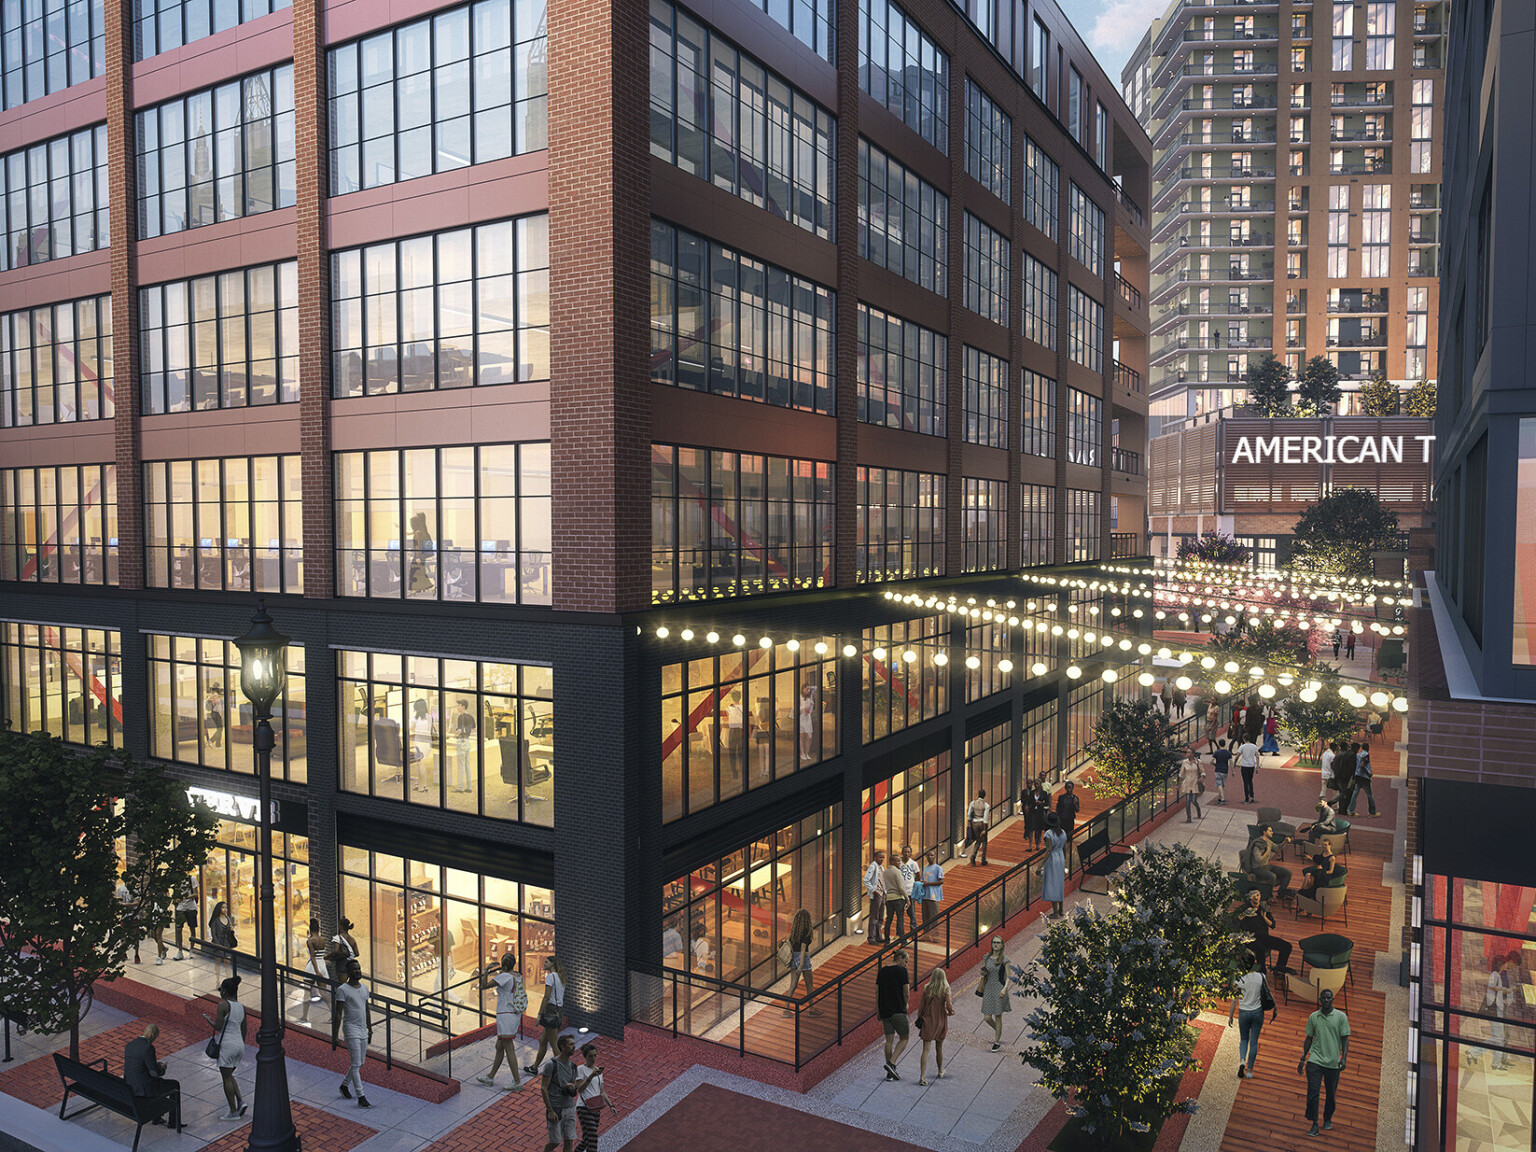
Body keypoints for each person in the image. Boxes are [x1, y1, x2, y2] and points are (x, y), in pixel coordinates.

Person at [1297, 987, 1350, 1137]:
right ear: (1320, 1000)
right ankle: (1314, 1123)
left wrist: (1344, 1057)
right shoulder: (1314, 1017)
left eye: (1329, 998)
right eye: (1324, 998)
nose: (1326, 1000)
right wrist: (1303, 1058)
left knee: (1331, 1094)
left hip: (1333, 1062)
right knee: (1313, 1092)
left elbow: (1345, 1039)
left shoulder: (1341, 1017)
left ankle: (1327, 1118)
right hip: (1315, 1060)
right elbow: (1309, 1038)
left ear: (1333, 999)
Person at [477, 953, 527, 1089]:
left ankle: (517, 1082)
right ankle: (490, 1077)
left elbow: (483, 986)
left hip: (505, 1014)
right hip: (513, 1014)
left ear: (503, 965)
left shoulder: (504, 977)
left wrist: (486, 971)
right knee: (499, 1047)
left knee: (509, 1048)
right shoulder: (518, 975)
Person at [202, 976, 247, 1120]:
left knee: (226, 1077)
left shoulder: (223, 1005)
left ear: (226, 991)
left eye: (221, 989)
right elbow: (244, 1029)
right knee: (229, 1074)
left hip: (227, 1045)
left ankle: (233, 1111)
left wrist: (209, 1020)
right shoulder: (241, 1007)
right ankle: (240, 1101)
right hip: (239, 1045)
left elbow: (219, 1026)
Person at [1227, 952, 1277, 1080]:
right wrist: (1275, 1007)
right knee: (1254, 1042)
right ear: (1254, 963)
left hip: (1244, 1012)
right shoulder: (1261, 976)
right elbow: (1268, 993)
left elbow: (1234, 1000)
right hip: (1257, 1012)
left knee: (1244, 1039)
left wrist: (1231, 1016)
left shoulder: (1238, 980)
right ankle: (1249, 1071)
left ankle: (1242, 1061)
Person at [331, 958, 373, 1107]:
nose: (358, 971)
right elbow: (338, 1014)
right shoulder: (343, 990)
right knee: (356, 1064)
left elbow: (366, 1009)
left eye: (359, 968)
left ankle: (344, 1085)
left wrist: (370, 1029)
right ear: (348, 972)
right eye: (354, 969)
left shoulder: (364, 988)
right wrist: (335, 1036)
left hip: (363, 1029)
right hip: (351, 1029)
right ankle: (361, 1096)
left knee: (360, 1063)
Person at [123, 1023, 181, 1130]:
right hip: (144, 1089)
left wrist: (154, 1066)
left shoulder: (129, 1045)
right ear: (153, 1034)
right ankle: (173, 1122)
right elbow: (154, 1073)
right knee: (174, 1085)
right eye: (156, 1036)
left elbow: (140, 1066)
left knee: (158, 1082)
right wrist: (162, 1068)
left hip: (130, 1086)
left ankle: (157, 1117)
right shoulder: (148, 1048)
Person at [526, 956, 568, 1076]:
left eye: (546, 962)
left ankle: (562, 1071)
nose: (544, 964)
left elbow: (546, 997)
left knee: (555, 1044)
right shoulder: (561, 977)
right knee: (543, 1041)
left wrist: (539, 1014)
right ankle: (534, 1067)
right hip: (559, 1010)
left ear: (553, 963)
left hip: (550, 1010)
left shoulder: (550, 977)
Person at [1236, 889, 1294, 974]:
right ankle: (1262, 971)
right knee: (1260, 948)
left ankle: (1279, 969)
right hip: (1250, 938)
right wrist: (1242, 916)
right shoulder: (1244, 909)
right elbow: (1234, 920)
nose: (1256, 897)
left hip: (1263, 937)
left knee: (1287, 946)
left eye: (1258, 895)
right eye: (1253, 895)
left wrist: (1264, 917)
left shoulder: (1263, 909)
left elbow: (1273, 925)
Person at [575, 1041, 620, 1151]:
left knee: (587, 1138)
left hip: (596, 1107)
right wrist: (591, 1076)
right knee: (593, 1137)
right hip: (584, 1107)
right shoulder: (580, 1069)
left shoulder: (598, 1071)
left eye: (595, 1055)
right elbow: (580, 1089)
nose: (593, 1058)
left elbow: (602, 1091)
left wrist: (611, 1105)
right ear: (585, 1057)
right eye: (590, 1056)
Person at [540, 1033, 582, 1152]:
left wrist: (572, 1088)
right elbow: (544, 1088)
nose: (573, 1046)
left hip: (569, 1108)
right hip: (556, 1109)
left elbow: (574, 1091)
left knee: (569, 1140)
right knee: (555, 1141)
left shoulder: (573, 1067)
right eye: (570, 1044)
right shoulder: (551, 1065)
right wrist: (550, 1110)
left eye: (574, 1044)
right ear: (562, 1047)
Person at [876, 949, 911, 1080]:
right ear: (900, 958)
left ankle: (889, 1073)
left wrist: (878, 1011)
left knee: (889, 1040)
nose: (906, 965)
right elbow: (906, 992)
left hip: (884, 1010)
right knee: (904, 1038)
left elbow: (877, 992)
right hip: (897, 1010)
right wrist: (905, 1004)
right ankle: (892, 1063)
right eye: (906, 961)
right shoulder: (902, 971)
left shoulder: (882, 971)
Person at [915, 968, 953, 1086]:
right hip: (940, 1022)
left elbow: (921, 1007)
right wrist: (951, 1012)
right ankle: (940, 1070)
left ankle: (922, 1077)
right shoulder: (945, 989)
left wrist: (920, 1018)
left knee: (925, 1050)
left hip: (928, 1021)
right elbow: (949, 1007)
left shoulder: (927, 989)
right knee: (939, 1048)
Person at [783, 908, 822, 1016]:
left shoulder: (793, 931)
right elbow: (803, 949)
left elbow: (788, 941)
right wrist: (801, 966)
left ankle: (786, 1010)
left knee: (792, 986)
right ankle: (812, 1009)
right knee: (809, 985)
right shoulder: (806, 931)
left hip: (793, 958)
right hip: (803, 959)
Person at [978, 936, 1012, 1053]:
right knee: (987, 1017)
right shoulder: (987, 957)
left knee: (998, 1016)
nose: (996, 945)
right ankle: (998, 1031)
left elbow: (1009, 976)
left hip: (999, 988)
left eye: (998, 943)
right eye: (994, 942)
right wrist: (983, 973)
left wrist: (1004, 989)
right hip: (988, 988)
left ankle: (996, 1042)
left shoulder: (1004, 959)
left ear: (1002, 945)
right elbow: (983, 970)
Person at [1248, 824, 1294, 898]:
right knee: (1272, 876)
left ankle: (1281, 893)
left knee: (1288, 872)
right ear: (1264, 832)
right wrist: (1266, 852)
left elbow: (1277, 848)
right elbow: (1258, 860)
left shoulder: (1268, 842)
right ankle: (1268, 896)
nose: (1272, 832)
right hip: (1258, 868)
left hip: (1266, 866)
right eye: (1270, 831)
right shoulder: (1258, 844)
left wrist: (1285, 842)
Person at [300, 917, 327, 1024]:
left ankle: (304, 1016)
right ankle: (333, 1013)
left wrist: (316, 971)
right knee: (324, 993)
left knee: (307, 992)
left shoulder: (310, 941)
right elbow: (319, 954)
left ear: (310, 929)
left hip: (313, 967)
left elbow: (312, 956)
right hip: (322, 965)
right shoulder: (323, 939)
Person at [1042, 812, 1068, 919]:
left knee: (1052, 884)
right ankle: (1061, 909)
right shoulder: (1063, 832)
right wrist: (1064, 859)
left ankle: (1055, 912)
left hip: (1052, 858)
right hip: (1060, 856)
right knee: (1060, 882)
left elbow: (1048, 850)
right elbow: (1065, 848)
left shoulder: (1048, 834)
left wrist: (1041, 865)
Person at [450, 698, 476, 793]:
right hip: (467, 741)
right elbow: (473, 728)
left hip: (461, 741)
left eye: (459, 705)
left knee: (460, 765)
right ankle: (469, 787)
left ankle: (460, 787)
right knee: (467, 764)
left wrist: (454, 735)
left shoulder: (461, 717)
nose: (457, 707)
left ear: (463, 706)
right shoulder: (470, 717)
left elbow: (460, 730)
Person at [326, 917, 360, 989]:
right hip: (351, 964)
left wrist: (327, 957)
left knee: (342, 986)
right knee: (350, 985)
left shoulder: (338, 938)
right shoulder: (352, 939)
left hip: (341, 964)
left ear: (341, 926)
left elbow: (336, 951)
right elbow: (357, 953)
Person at [209, 900, 237, 981]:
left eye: (226, 908)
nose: (225, 909)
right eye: (223, 907)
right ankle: (218, 980)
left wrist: (232, 931)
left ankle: (228, 979)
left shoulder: (228, 919)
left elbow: (230, 932)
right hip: (218, 944)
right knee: (218, 962)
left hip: (227, 944)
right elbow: (214, 935)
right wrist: (219, 946)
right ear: (219, 909)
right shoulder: (215, 921)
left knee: (227, 963)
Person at [863, 850, 887, 943]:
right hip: (876, 896)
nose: (882, 859)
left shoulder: (881, 867)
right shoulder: (873, 866)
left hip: (882, 894)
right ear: (875, 857)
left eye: (883, 858)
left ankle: (878, 936)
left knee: (880, 916)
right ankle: (871, 938)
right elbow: (866, 880)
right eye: (880, 857)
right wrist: (873, 890)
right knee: (874, 916)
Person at [1347, 747, 1378, 816]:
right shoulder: (1366, 755)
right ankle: (1372, 812)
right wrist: (1368, 773)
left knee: (1355, 794)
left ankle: (1351, 810)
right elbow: (1362, 765)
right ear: (1368, 748)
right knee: (1369, 795)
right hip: (1364, 777)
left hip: (1358, 776)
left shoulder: (1358, 755)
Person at [173, 879, 198, 959]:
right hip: (180, 908)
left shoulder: (191, 879)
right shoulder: (176, 880)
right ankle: (180, 951)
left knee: (192, 928)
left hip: (191, 907)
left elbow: (195, 893)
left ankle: (191, 949)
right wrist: (176, 900)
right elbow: (174, 896)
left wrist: (185, 897)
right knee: (179, 929)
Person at [1332, 743, 1359, 817]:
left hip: (1340, 776)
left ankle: (1341, 809)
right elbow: (1352, 768)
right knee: (1347, 793)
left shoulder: (1344, 754)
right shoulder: (1352, 755)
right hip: (1346, 777)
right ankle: (1342, 809)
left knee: (1343, 793)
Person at [965, 789, 991, 865]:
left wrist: (971, 823)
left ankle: (973, 856)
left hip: (974, 823)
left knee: (978, 840)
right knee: (984, 841)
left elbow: (969, 815)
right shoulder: (986, 805)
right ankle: (983, 860)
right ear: (984, 796)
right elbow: (985, 819)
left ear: (978, 794)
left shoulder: (972, 803)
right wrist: (984, 830)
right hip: (982, 823)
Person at [1023, 777, 1050, 848]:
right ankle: (1030, 845)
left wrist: (1040, 803)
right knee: (1031, 828)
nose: (1036, 786)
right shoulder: (1032, 793)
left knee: (1038, 829)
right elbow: (1029, 802)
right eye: (1035, 784)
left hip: (1040, 812)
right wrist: (1028, 807)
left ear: (1040, 785)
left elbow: (1047, 803)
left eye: (1037, 784)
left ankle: (1037, 844)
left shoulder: (1044, 793)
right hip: (1033, 812)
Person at [1179, 748, 1204, 823]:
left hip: (1195, 783)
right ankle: (1188, 817)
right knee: (1187, 801)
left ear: (1193, 754)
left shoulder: (1198, 762)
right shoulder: (1184, 762)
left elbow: (1202, 771)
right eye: (1187, 753)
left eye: (1189, 753)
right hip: (1187, 783)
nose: (1187, 754)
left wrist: (1201, 777)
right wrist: (1179, 784)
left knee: (1193, 800)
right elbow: (1181, 773)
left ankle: (1198, 809)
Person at [919, 849, 944, 925]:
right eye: (928, 855)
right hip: (925, 896)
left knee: (934, 918)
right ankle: (926, 934)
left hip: (933, 896)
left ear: (935, 856)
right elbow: (923, 881)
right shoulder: (925, 868)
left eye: (932, 855)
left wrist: (928, 883)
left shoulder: (938, 868)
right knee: (925, 917)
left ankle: (934, 935)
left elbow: (941, 881)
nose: (930, 857)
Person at [1236, 737, 1260, 803]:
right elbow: (1257, 756)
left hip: (1244, 765)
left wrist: (1235, 763)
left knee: (1245, 782)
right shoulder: (1254, 746)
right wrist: (1257, 766)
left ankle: (1246, 797)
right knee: (1250, 781)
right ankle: (1252, 796)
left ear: (1244, 739)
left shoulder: (1242, 747)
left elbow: (1237, 756)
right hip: (1251, 765)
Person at [798, 682, 818, 761]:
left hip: (808, 717)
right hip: (802, 717)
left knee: (809, 737)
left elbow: (816, 687)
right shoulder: (799, 697)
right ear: (802, 689)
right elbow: (797, 709)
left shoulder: (810, 697)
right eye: (807, 689)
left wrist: (810, 688)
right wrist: (806, 707)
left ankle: (807, 753)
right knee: (802, 736)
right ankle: (802, 753)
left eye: (809, 689)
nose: (808, 690)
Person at [1211, 739, 1232, 806]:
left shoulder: (1216, 752)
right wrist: (1233, 770)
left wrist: (1215, 764)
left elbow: (1211, 761)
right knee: (1222, 785)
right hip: (1225, 770)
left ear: (1219, 744)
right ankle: (1220, 798)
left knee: (1219, 785)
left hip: (1218, 770)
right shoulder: (1228, 753)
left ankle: (1222, 798)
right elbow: (1231, 762)